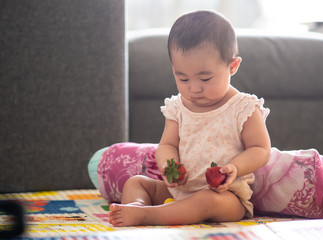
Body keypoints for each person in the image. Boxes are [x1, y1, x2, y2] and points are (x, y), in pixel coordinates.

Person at [107, 10, 271, 227]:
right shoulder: (177, 107)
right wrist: (169, 165)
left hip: (225, 196)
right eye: (182, 78)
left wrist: (235, 167)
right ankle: (138, 206)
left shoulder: (243, 108)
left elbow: (260, 149)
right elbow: (167, 144)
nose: (194, 88)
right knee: (136, 182)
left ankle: (149, 216)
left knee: (206, 200)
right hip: (180, 190)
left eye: (205, 78)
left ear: (232, 66)